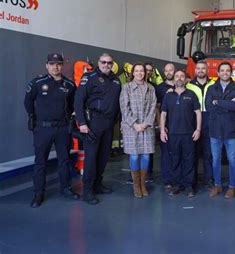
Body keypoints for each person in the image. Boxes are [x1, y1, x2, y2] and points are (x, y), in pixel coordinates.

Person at [24, 53, 79, 208]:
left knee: (64, 160)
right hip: (43, 128)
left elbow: (73, 104)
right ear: (46, 65)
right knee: (40, 162)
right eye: (52, 63)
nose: (56, 67)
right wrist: (32, 117)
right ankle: (38, 194)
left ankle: (66, 189)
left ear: (62, 66)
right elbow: (28, 100)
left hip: (62, 128)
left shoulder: (69, 84)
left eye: (59, 64)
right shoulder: (38, 82)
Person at [75, 53, 121, 205]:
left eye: (109, 63)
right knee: (91, 158)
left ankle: (98, 184)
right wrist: (82, 123)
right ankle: (87, 190)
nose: (106, 65)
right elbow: (78, 101)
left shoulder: (116, 80)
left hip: (109, 124)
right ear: (98, 62)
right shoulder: (89, 77)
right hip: (93, 122)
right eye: (103, 62)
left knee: (103, 157)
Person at [160, 70, 202, 198]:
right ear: (174, 78)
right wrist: (162, 130)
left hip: (189, 134)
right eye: (177, 76)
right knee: (175, 160)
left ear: (185, 79)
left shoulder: (192, 94)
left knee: (189, 160)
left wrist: (198, 129)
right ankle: (176, 185)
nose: (179, 78)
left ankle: (189, 186)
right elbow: (163, 114)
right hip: (173, 134)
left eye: (182, 76)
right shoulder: (168, 96)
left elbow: (198, 113)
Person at [205, 62, 235, 199]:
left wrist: (218, 102)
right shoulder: (211, 88)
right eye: (222, 70)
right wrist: (227, 103)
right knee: (215, 159)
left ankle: (232, 187)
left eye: (228, 70)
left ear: (231, 72)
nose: (225, 73)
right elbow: (209, 106)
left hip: (231, 129)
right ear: (218, 73)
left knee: (232, 159)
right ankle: (217, 185)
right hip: (215, 129)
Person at [120, 63, 157, 198]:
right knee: (134, 156)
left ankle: (143, 184)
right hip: (131, 128)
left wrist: (146, 123)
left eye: (142, 71)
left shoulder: (151, 88)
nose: (140, 73)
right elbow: (124, 108)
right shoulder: (127, 88)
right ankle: (136, 185)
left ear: (145, 73)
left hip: (146, 127)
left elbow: (153, 107)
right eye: (137, 71)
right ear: (133, 73)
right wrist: (134, 124)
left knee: (146, 155)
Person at [186, 60, 214, 188]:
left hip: (210, 119)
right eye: (198, 68)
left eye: (203, 68)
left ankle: (209, 179)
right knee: (193, 152)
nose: (201, 70)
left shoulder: (214, 84)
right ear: (195, 70)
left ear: (207, 70)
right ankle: (193, 179)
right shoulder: (188, 85)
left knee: (209, 153)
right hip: (193, 120)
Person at [155, 63, 175, 188]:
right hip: (166, 125)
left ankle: (179, 177)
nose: (168, 73)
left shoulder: (183, 85)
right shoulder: (159, 88)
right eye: (166, 71)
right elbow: (157, 108)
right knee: (166, 154)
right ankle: (168, 180)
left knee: (180, 153)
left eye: (170, 70)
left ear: (175, 71)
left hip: (181, 126)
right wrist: (161, 126)